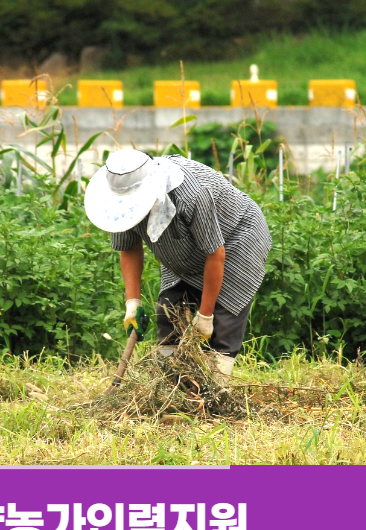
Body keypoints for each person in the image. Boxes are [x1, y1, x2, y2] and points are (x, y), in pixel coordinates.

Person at [84, 148, 272, 379]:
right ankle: (171, 386)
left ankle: (216, 392)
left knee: (224, 322)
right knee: (168, 312)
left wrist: (205, 316)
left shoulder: (192, 194)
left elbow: (215, 254)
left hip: (236, 238)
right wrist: (132, 303)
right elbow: (129, 248)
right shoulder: (119, 204)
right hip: (182, 247)